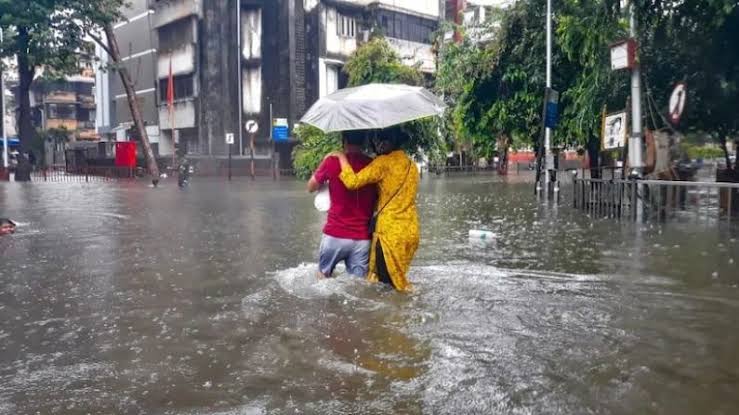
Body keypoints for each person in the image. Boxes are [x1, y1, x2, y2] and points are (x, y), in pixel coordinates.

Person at [329, 127, 420, 292]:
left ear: (388, 142)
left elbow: (352, 182)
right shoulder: (412, 166)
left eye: (380, 140)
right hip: (410, 233)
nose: (377, 145)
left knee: (386, 290)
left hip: (389, 235)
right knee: (398, 282)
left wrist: (341, 157)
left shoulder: (383, 163)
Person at [308, 130, 377, 278]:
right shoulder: (373, 166)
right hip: (362, 238)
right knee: (357, 288)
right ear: (364, 142)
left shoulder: (332, 161)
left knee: (322, 278)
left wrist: (325, 167)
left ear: (344, 141)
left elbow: (311, 187)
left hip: (335, 234)